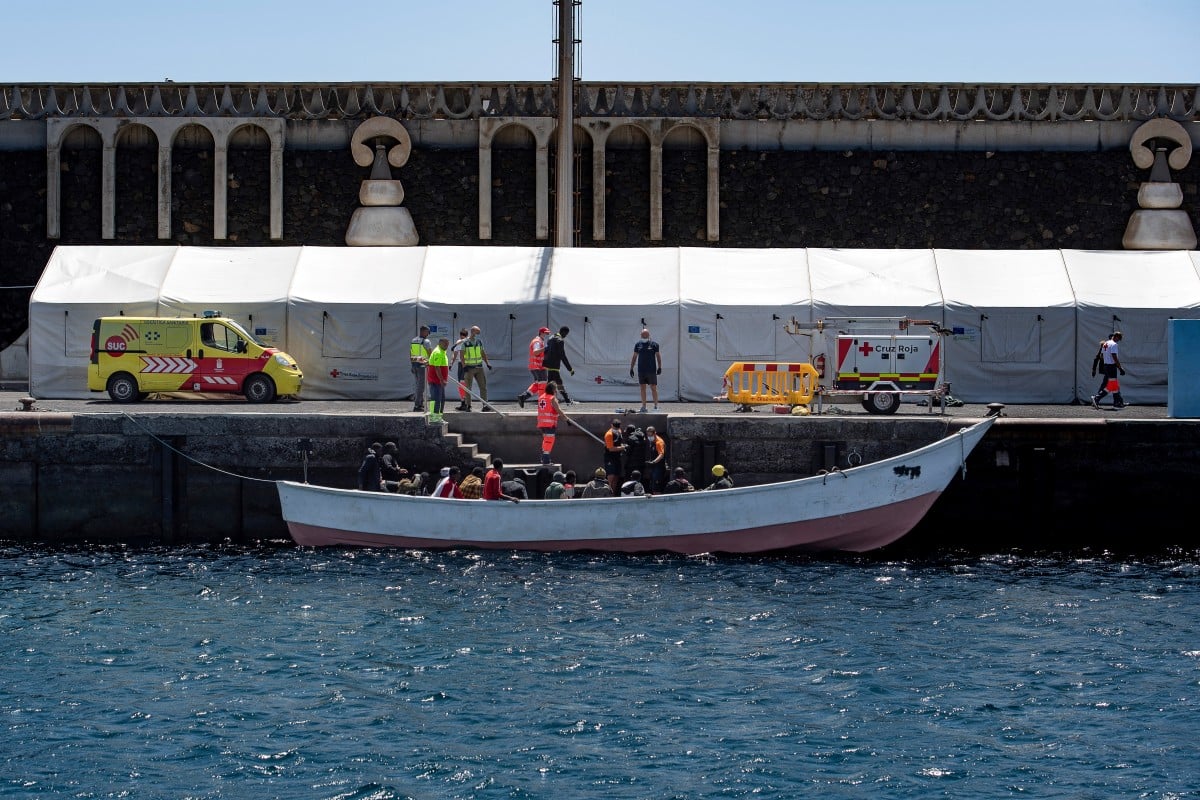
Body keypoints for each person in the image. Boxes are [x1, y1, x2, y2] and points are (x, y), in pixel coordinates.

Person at [459, 325, 493, 412]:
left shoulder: (479, 342)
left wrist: (487, 363)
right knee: (468, 388)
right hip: (469, 368)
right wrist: (464, 366)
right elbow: (462, 355)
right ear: (472, 331)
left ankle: (485, 405)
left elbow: (483, 353)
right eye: (477, 332)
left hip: (479, 367)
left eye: (479, 333)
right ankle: (468, 405)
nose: (478, 334)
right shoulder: (465, 343)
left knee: (483, 386)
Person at [629, 327, 663, 412]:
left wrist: (659, 367)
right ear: (640, 335)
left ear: (649, 335)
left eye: (646, 334)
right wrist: (631, 368)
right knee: (642, 388)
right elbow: (634, 356)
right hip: (641, 370)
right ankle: (644, 406)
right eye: (643, 334)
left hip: (651, 370)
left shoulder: (654, 344)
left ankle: (655, 406)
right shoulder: (638, 344)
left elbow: (658, 356)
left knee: (653, 388)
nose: (644, 336)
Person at [1091, 331, 1127, 410]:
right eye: (1119, 339)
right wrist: (1120, 368)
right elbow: (1114, 356)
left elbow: (1102, 356)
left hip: (1106, 366)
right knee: (1112, 385)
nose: (1118, 340)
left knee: (1113, 385)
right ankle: (1097, 398)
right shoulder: (1114, 344)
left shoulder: (1105, 343)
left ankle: (1117, 402)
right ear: (1116, 336)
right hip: (1111, 367)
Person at [517, 326, 551, 408]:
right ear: (541, 333)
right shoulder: (537, 342)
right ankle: (542, 403)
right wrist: (545, 348)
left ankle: (523, 397)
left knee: (537, 384)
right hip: (538, 367)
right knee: (542, 385)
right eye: (545, 333)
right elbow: (535, 352)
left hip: (535, 367)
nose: (546, 335)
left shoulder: (538, 341)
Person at [542, 326, 575, 403]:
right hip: (555, 365)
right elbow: (562, 356)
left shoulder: (550, 338)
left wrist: (545, 362)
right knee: (558, 382)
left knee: (550, 383)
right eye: (566, 334)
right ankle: (567, 400)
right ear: (563, 332)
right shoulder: (560, 341)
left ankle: (546, 400)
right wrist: (570, 369)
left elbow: (545, 351)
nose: (566, 336)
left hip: (548, 364)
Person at [536, 381, 565, 465]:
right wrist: (566, 419)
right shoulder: (552, 398)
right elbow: (558, 410)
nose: (556, 391)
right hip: (549, 424)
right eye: (555, 389)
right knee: (549, 441)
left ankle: (544, 458)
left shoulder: (541, 397)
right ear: (553, 389)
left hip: (542, 424)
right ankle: (546, 460)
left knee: (545, 441)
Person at [425, 336, 450, 423]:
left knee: (441, 399)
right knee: (436, 399)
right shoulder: (438, 352)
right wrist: (442, 380)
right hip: (436, 381)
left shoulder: (442, 351)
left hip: (439, 381)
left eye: (448, 344)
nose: (447, 346)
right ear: (440, 343)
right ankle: (435, 417)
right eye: (445, 344)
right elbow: (437, 367)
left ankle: (438, 417)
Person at [409, 325, 431, 412]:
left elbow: (410, 353)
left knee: (418, 385)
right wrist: (431, 362)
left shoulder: (413, 340)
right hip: (422, 366)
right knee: (420, 387)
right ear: (424, 331)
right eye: (428, 332)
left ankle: (420, 404)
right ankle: (418, 405)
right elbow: (430, 353)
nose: (428, 334)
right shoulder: (426, 341)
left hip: (415, 364)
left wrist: (412, 364)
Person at [603, 418, 627, 493]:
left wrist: (622, 446)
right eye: (615, 427)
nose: (616, 429)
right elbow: (611, 448)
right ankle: (608, 493)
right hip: (610, 457)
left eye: (617, 427)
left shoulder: (619, 431)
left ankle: (613, 493)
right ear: (611, 425)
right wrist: (622, 448)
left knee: (617, 476)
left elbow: (619, 442)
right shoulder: (609, 434)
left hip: (617, 457)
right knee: (611, 476)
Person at [450, 327, 470, 409]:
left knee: (463, 383)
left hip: (464, 364)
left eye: (463, 336)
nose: (462, 337)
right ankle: (463, 402)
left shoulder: (466, 341)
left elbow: (454, 354)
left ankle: (465, 403)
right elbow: (454, 354)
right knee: (461, 384)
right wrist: (451, 363)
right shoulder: (461, 342)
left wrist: (457, 343)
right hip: (462, 364)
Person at [643, 426, 666, 493]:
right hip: (653, 467)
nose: (649, 437)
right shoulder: (652, 441)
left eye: (651, 435)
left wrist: (653, 462)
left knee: (656, 486)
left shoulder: (659, 442)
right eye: (648, 435)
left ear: (655, 433)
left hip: (659, 466)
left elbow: (661, 454)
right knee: (652, 485)